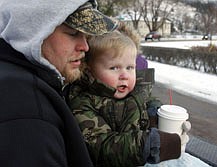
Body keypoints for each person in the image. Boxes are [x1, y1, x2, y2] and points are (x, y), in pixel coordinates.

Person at [0, 0, 117, 166]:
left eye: (86, 35)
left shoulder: (19, 80)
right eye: (72, 33)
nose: (85, 46)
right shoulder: (26, 110)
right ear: (33, 32)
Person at [68, 30, 190, 167]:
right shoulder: (83, 102)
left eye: (130, 67)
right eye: (114, 68)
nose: (124, 75)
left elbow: (148, 101)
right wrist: (150, 144)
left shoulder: (135, 93)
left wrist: (156, 115)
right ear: (89, 71)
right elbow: (101, 148)